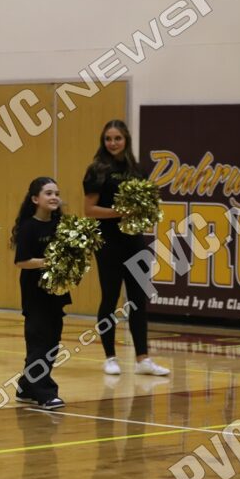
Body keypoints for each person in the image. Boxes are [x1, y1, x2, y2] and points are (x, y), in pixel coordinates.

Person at [83, 119, 170, 377]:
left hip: (134, 241)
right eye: (108, 139)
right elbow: (89, 210)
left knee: (138, 300)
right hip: (108, 242)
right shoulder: (97, 170)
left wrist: (144, 213)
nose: (113, 143)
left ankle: (143, 359)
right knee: (110, 298)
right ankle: (110, 357)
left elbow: (147, 206)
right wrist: (120, 211)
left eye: (117, 138)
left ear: (126, 140)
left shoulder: (137, 169)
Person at [13, 177, 69, 410]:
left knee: (52, 341)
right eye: (48, 193)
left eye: (56, 193)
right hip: (35, 293)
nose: (54, 197)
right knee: (39, 342)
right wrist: (49, 261)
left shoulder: (61, 225)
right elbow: (22, 261)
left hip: (56, 292)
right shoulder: (28, 227)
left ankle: (26, 387)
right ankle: (45, 393)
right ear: (35, 199)